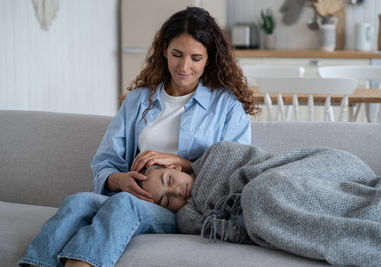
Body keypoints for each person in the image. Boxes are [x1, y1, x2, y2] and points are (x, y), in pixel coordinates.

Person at [19, 6, 258, 267]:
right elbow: (105, 161)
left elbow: (236, 171)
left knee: (124, 205)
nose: (184, 66)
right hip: (130, 196)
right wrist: (118, 179)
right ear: (165, 49)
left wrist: (182, 162)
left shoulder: (227, 106)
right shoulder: (138, 100)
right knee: (77, 202)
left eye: (196, 58)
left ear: (209, 59)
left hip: (181, 208)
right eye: (177, 54)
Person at [138, 142, 381, 266]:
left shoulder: (217, 153)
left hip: (324, 168)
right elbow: (196, 223)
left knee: (259, 192)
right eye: (167, 199)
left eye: (169, 179)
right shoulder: (189, 215)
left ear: (174, 166)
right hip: (280, 195)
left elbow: (256, 169)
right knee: (258, 197)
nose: (176, 191)